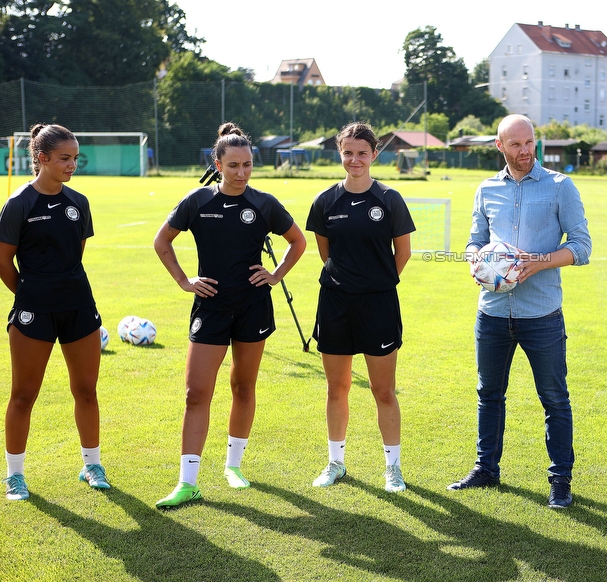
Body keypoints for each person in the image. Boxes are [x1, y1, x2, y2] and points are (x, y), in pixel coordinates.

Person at [153, 123, 306, 508]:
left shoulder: (264, 203)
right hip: (211, 307)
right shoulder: (198, 202)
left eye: (248, 165)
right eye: (233, 165)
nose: (241, 172)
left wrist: (275, 275)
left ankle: (233, 467)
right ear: (217, 164)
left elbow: (298, 242)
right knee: (196, 392)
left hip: (253, 305)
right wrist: (184, 280)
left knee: (243, 386)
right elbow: (162, 240)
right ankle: (188, 482)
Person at [447, 114, 591, 509]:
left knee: (554, 398)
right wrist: (477, 262)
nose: (525, 151)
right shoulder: (486, 189)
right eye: (516, 145)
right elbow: (473, 242)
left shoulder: (560, 186)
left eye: (530, 143)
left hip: (542, 315)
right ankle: (486, 469)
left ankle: (560, 480)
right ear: (500, 146)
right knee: (488, 394)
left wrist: (537, 262)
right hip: (492, 313)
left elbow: (581, 247)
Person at [0, 123, 110, 500]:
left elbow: (75, 253)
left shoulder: (79, 202)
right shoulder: (18, 204)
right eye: (64, 158)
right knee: (23, 395)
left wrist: (60, 289)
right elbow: (3, 263)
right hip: (34, 313)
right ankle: (14, 475)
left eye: (75, 158)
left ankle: (92, 464)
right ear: (41, 158)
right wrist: (31, 295)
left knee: (86, 390)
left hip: (79, 306)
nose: (71, 165)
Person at [306, 121, 414, 493]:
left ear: (374, 155)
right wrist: (348, 281)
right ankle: (336, 463)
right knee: (337, 388)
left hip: (378, 305)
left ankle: (393, 469)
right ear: (340, 154)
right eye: (348, 153)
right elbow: (326, 253)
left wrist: (376, 282)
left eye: (362, 153)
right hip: (335, 303)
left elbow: (403, 253)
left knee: (383, 391)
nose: (355, 159)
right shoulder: (325, 201)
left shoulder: (388, 199)